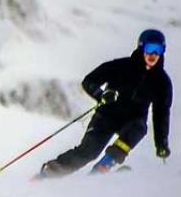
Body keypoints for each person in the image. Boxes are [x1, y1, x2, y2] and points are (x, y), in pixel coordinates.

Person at [38, 29, 172, 178]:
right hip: (107, 116)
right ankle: (51, 173)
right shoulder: (120, 66)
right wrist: (101, 95)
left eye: (158, 49)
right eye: (150, 48)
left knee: (139, 127)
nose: (153, 54)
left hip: (132, 121)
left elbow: (161, 114)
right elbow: (89, 81)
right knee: (88, 152)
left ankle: (106, 164)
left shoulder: (162, 82)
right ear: (141, 48)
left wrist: (161, 144)